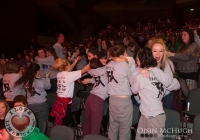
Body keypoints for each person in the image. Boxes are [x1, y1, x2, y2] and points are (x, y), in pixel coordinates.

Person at [130, 47, 173, 140]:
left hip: (152, 116)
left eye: (137, 60)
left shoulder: (140, 76)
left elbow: (133, 89)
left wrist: (138, 70)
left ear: (141, 60)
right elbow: (170, 83)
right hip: (150, 114)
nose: (137, 62)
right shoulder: (158, 73)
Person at [50, 58, 89, 126]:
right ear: (67, 66)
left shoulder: (59, 74)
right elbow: (84, 70)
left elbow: (69, 69)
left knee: (61, 123)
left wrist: (76, 61)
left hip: (59, 100)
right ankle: (65, 135)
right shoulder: (69, 75)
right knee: (65, 123)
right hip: (65, 103)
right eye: (69, 65)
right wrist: (93, 60)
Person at [106, 45, 133, 140]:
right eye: (125, 53)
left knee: (113, 128)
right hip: (123, 101)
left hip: (112, 99)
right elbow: (132, 80)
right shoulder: (124, 65)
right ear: (121, 55)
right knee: (124, 131)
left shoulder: (108, 65)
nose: (127, 55)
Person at [14, 63, 51, 131]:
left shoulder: (26, 81)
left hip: (30, 104)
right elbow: (48, 87)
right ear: (37, 71)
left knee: (32, 122)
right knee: (43, 123)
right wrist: (47, 78)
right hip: (41, 105)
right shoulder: (41, 81)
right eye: (39, 70)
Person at [167, 29, 200, 99]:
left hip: (190, 74)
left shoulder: (194, 46)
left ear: (190, 36)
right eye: (182, 35)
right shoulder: (181, 47)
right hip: (181, 74)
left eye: (185, 35)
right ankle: (188, 107)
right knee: (186, 95)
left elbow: (186, 57)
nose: (182, 37)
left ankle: (195, 109)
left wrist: (172, 54)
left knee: (193, 96)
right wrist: (166, 56)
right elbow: (176, 59)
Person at [151, 38, 180, 109]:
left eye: (161, 51)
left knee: (167, 117)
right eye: (155, 51)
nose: (158, 54)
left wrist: (153, 69)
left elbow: (167, 82)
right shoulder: (146, 63)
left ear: (164, 52)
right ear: (150, 52)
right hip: (152, 98)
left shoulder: (168, 63)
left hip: (166, 96)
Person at [82, 58, 108, 136]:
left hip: (90, 98)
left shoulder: (100, 73)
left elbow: (95, 78)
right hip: (97, 100)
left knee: (87, 124)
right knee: (95, 128)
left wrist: (89, 79)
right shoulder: (104, 70)